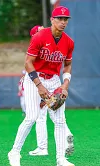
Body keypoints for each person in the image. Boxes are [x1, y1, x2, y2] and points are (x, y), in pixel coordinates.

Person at [8, 6, 75, 166]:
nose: (63, 22)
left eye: (65, 19)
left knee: (60, 120)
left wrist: (65, 85)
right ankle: (15, 152)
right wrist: (39, 86)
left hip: (54, 80)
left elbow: (67, 65)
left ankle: (60, 159)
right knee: (32, 116)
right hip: (34, 79)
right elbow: (28, 63)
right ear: (51, 20)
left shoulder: (69, 42)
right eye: (59, 18)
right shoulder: (39, 36)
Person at [27, 25, 74, 157]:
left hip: (46, 83)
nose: (43, 30)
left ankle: (43, 147)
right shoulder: (39, 44)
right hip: (48, 82)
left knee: (43, 117)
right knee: (56, 118)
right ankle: (67, 136)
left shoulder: (52, 44)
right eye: (39, 30)